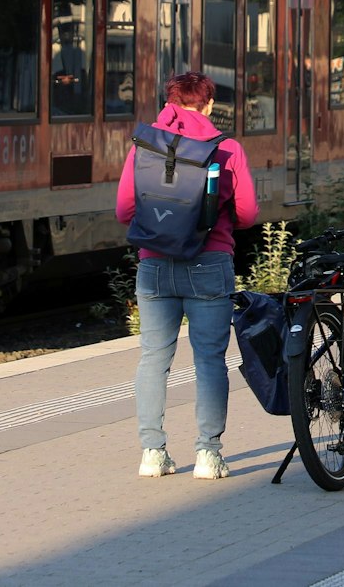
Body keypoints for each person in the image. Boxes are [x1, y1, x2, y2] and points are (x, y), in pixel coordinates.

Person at [115, 71, 258, 479]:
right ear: (209, 104)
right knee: (210, 360)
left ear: (169, 103)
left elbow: (125, 211)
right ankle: (208, 455)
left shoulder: (143, 146)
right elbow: (247, 214)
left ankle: (152, 453)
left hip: (155, 265)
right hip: (209, 263)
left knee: (153, 359)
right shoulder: (226, 148)